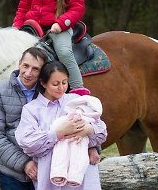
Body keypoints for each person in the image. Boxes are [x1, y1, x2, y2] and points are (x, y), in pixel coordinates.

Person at [12, 0, 90, 96]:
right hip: (33, 26)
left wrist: (61, 23)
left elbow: (78, 8)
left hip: (59, 27)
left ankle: (78, 88)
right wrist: (16, 27)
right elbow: (23, 7)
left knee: (64, 52)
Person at [15, 61, 107, 190]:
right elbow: (28, 143)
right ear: (43, 83)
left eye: (64, 82)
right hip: (50, 177)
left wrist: (88, 130)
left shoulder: (76, 101)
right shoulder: (31, 109)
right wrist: (57, 133)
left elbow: (102, 131)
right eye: (55, 84)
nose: (61, 88)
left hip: (82, 177)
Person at [0, 47, 48, 190]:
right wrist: (24, 163)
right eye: (25, 66)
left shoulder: (48, 91)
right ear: (19, 63)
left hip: (45, 167)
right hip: (12, 170)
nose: (28, 73)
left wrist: (93, 147)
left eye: (35, 69)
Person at [49, 95, 103, 187]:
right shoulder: (67, 118)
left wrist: (87, 129)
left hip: (80, 141)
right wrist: (58, 130)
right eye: (77, 110)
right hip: (64, 140)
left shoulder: (90, 121)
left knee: (79, 158)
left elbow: (99, 131)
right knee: (60, 155)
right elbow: (57, 124)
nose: (78, 113)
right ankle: (58, 172)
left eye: (83, 111)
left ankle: (76, 176)